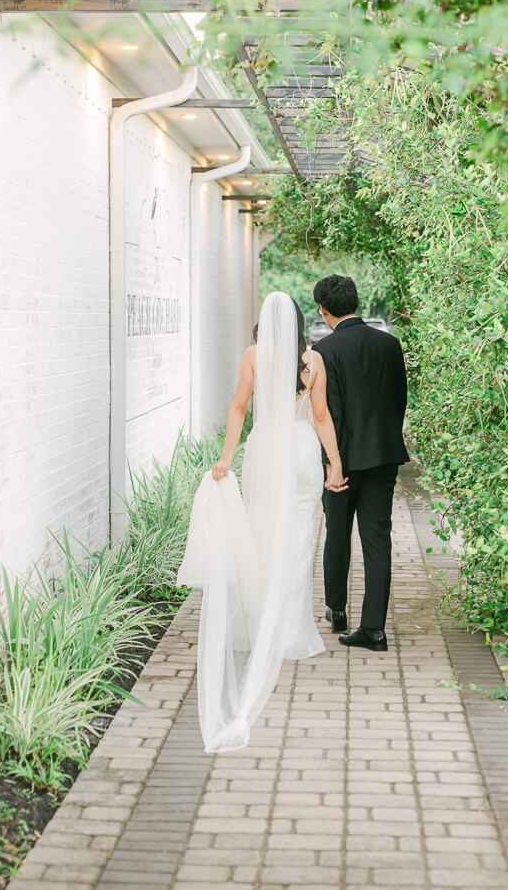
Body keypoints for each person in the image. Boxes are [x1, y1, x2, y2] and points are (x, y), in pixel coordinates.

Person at [177, 291, 346, 752]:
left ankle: (259, 622)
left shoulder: (254, 355)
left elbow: (237, 408)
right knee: (298, 540)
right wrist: (334, 464)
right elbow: (322, 416)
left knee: (261, 533)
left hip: (264, 451)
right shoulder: (312, 361)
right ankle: (289, 628)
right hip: (301, 453)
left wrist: (226, 458)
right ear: (296, 323)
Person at [312, 274, 409, 652]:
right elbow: (399, 400)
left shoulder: (325, 350)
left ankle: (337, 610)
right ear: (355, 302)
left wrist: (331, 463)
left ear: (323, 308)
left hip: (343, 460)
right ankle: (374, 629)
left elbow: (328, 414)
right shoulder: (389, 343)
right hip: (383, 456)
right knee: (377, 540)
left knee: (337, 534)